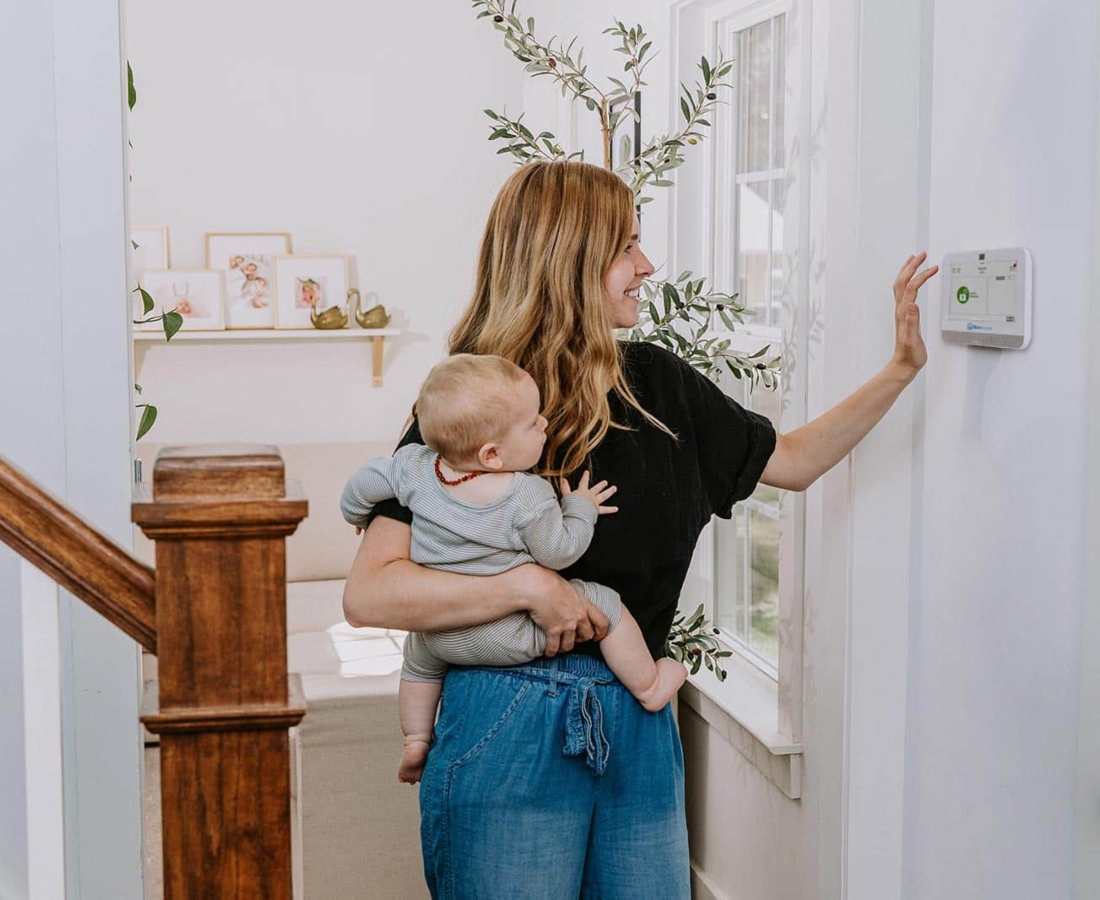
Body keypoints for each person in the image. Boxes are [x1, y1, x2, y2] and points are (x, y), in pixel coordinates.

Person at [342, 159, 936, 899]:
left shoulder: (658, 384)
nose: (646, 265)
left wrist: (901, 368)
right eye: (627, 246)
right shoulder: (477, 401)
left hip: (640, 716)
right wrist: (529, 586)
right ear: (571, 260)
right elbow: (372, 593)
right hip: (504, 717)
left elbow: (795, 460)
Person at [338, 353, 688, 784]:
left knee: (417, 660)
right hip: (509, 632)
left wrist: (357, 515)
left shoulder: (413, 469)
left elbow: (361, 484)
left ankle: (415, 739)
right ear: (492, 453)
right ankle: (650, 686)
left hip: (442, 638)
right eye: (531, 422)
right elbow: (559, 552)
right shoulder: (526, 494)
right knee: (605, 603)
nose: (543, 424)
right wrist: (580, 508)